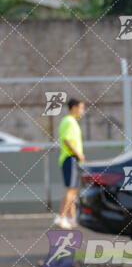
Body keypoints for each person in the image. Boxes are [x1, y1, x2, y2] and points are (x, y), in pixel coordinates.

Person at [55, 98, 85, 230]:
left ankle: (72, 219)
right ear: (74, 107)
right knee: (71, 189)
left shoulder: (71, 121)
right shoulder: (68, 121)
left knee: (73, 189)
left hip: (72, 159)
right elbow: (67, 140)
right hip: (70, 158)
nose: (82, 111)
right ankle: (61, 217)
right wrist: (78, 154)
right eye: (81, 108)